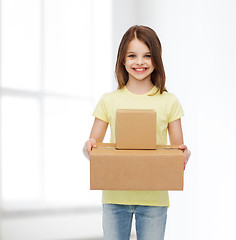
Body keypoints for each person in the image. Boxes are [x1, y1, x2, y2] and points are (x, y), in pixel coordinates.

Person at [83, 25, 191, 240]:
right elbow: (92, 148)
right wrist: (88, 148)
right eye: (132, 55)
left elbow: (177, 152)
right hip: (115, 197)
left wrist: (184, 155)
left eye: (147, 56)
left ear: (156, 60)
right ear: (123, 60)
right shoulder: (109, 100)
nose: (139, 62)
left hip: (154, 199)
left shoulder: (169, 101)